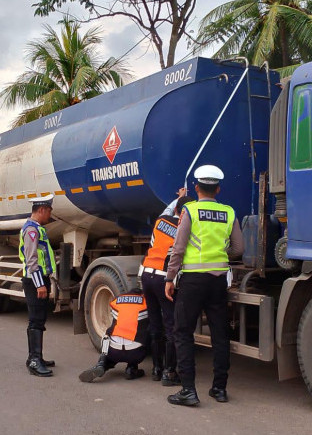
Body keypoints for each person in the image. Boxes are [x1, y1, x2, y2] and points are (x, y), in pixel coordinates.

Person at [164, 165, 243, 406]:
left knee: (183, 332)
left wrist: (169, 277)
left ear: (197, 188)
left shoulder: (190, 210)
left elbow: (178, 248)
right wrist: (220, 255)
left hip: (192, 281)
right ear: (218, 189)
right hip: (218, 281)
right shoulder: (229, 212)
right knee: (220, 335)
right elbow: (238, 249)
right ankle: (219, 389)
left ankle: (188, 390)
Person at [140, 194, 193, 385]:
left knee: (155, 324)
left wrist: (178, 198)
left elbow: (170, 210)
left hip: (147, 275)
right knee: (171, 325)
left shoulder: (161, 220)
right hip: (164, 278)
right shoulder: (183, 227)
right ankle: (169, 372)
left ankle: (156, 369)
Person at [18, 194, 57, 377]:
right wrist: (40, 285)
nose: (50, 214)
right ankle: (34, 360)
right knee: (36, 319)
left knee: (39, 318)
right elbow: (31, 260)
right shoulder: (31, 230)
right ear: (41, 210)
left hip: (39, 279)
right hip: (35, 280)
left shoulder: (36, 228)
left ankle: (36, 357)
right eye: (49, 210)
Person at [79, 288, 149, 383]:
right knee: (145, 333)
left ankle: (102, 363)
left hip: (114, 352)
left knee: (109, 334)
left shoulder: (117, 301)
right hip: (136, 353)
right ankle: (131, 368)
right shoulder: (146, 302)